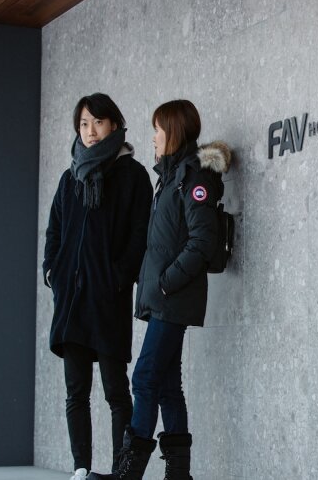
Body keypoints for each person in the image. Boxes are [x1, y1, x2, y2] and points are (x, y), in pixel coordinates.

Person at [87, 99, 231, 480]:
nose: (153, 137)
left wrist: (167, 282)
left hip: (173, 298)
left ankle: (127, 474)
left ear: (174, 131)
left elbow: (202, 240)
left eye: (158, 129)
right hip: (165, 299)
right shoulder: (170, 177)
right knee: (167, 384)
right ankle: (179, 475)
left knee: (144, 378)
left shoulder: (193, 179)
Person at [43, 93, 153, 480]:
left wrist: (118, 278)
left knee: (115, 391)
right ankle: (81, 469)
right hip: (72, 300)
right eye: (84, 124)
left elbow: (140, 234)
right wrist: (52, 271)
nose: (90, 132)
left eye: (98, 123)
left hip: (107, 299)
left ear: (114, 124)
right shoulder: (70, 176)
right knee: (76, 392)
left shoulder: (133, 175)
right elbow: (55, 231)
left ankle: (120, 471)